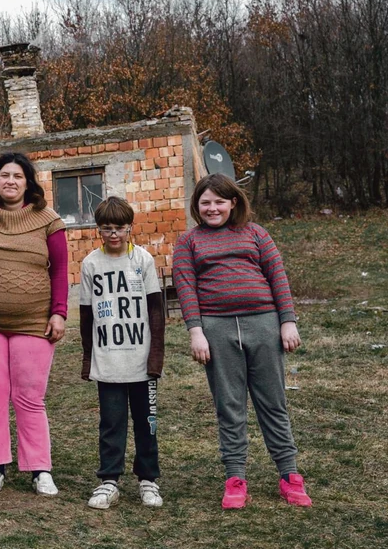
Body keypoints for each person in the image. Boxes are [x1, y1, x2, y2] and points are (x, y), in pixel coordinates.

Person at [173, 173, 313, 510]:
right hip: (217, 331)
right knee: (230, 406)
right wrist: (196, 331)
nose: (212, 208)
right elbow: (186, 288)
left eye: (219, 201)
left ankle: (289, 475)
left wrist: (287, 322)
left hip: (263, 325)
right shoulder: (188, 242)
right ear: (197, 206)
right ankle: (235, 479)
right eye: (205, 202)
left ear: (233, 202)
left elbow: (277, 276)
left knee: (273, 403)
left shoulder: (256, 234)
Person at [0, 152, 69, 497]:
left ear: (28, 182)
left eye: (18, 176)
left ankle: (40, 469)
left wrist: (59, 312)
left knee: (29, 396)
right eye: (4, 175)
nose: (11, 182)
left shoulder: (49, 221)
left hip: (34, 322)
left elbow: (61, 271)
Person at [79, 197, 165, 510]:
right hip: (109, 361)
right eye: (107, 228)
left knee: (147, 423)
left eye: (119, 228)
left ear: (130, 227)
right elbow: (86, 316)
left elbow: (156, 314)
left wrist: (155, 358)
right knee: (111, 423)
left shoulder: (142, 260)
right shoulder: (90, 263)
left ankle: (148, 480)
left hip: (141, 362)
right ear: (98, 229)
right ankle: (109, 480)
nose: (113, 234)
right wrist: (89, 360)